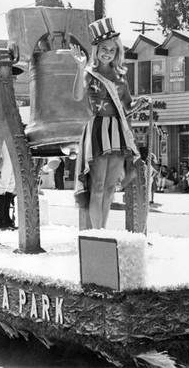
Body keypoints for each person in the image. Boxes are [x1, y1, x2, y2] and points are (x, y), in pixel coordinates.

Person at [70, 17, 147, 229]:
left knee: (110, 187)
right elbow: (77, 96)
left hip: (117, 133)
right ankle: (95, 233)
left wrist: (139, 103)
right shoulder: (89, 73)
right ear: (96, 49)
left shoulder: (121, 77)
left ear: (117, 53)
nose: (108, 53)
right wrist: (79, 68)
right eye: (104, 48)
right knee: (98, 185)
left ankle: (102, 231)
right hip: (97, 131)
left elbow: (127, 108)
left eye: (112, 50)